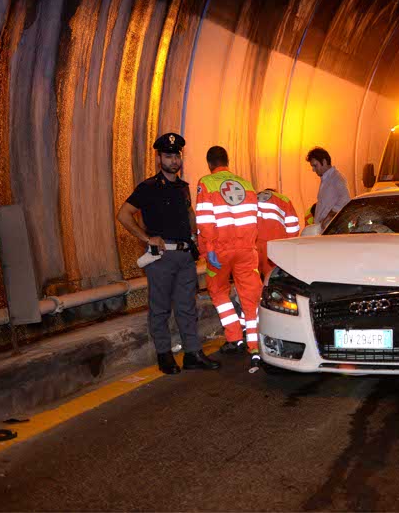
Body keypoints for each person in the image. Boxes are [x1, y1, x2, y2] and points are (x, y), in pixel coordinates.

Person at [117, 132, 220, 374]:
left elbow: (189, 215)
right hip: (161, 257)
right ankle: (164, 355)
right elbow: (123, 214)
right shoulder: (148, 187)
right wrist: (146, 238)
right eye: (168, 156)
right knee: (160, 307)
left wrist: (195, 237)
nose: (173, 160)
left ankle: (193, 353)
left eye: (176, 156)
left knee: (187, 307)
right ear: (159, 158)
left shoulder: (183, 188)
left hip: (185, 256)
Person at [195, 146, 261, 357]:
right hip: (245, 250)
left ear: (209, 163)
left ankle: (234, 338)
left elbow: (205, 219)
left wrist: (209, 249)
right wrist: (250, 246)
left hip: (220, 252)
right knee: (250, 295)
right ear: (227, 161)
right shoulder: (246, 184)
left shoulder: (206, 183)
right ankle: (255, 343)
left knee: (218, 291)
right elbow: (254, 218)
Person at [256, 188, 300, 278]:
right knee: (272, 276)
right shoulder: (283, 200)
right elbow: (293, 227)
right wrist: (287, 244)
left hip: (254, 244)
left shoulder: (252, 197)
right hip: (275, 244)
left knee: (252, 277)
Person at [306, 147, 351, 229]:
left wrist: (329, 216)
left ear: (324, 161)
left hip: (332, 228)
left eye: (315, 166)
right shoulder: (326, 179)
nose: (313, 169)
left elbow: (345, 199)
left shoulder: (337, 178)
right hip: (325, 227)